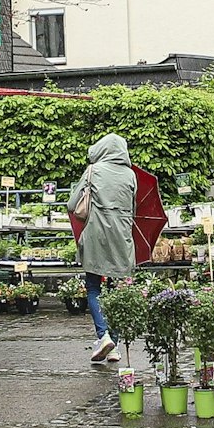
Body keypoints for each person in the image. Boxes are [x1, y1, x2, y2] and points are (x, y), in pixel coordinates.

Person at [68, 134, 139, 362]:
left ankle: (104, 335)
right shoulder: (131, 175)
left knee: (93, 287)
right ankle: (114, 346)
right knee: (117, 290)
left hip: (97, 235)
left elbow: (73, 205)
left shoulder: (93, 171)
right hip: (122, 237)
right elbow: (134, 208)